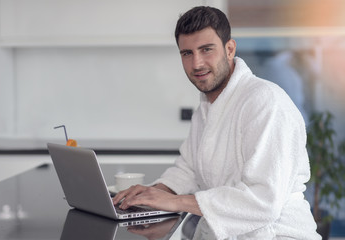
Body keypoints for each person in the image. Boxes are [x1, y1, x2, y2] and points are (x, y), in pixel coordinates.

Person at [113, 6, 321, 239]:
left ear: (229, 49)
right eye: (187, 53)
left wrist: (175, 201)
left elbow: (263, 201)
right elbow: (189, 169)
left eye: (206, 49)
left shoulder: (266, 102)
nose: (197, 64)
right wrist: (151, 193)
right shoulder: (208, 106)